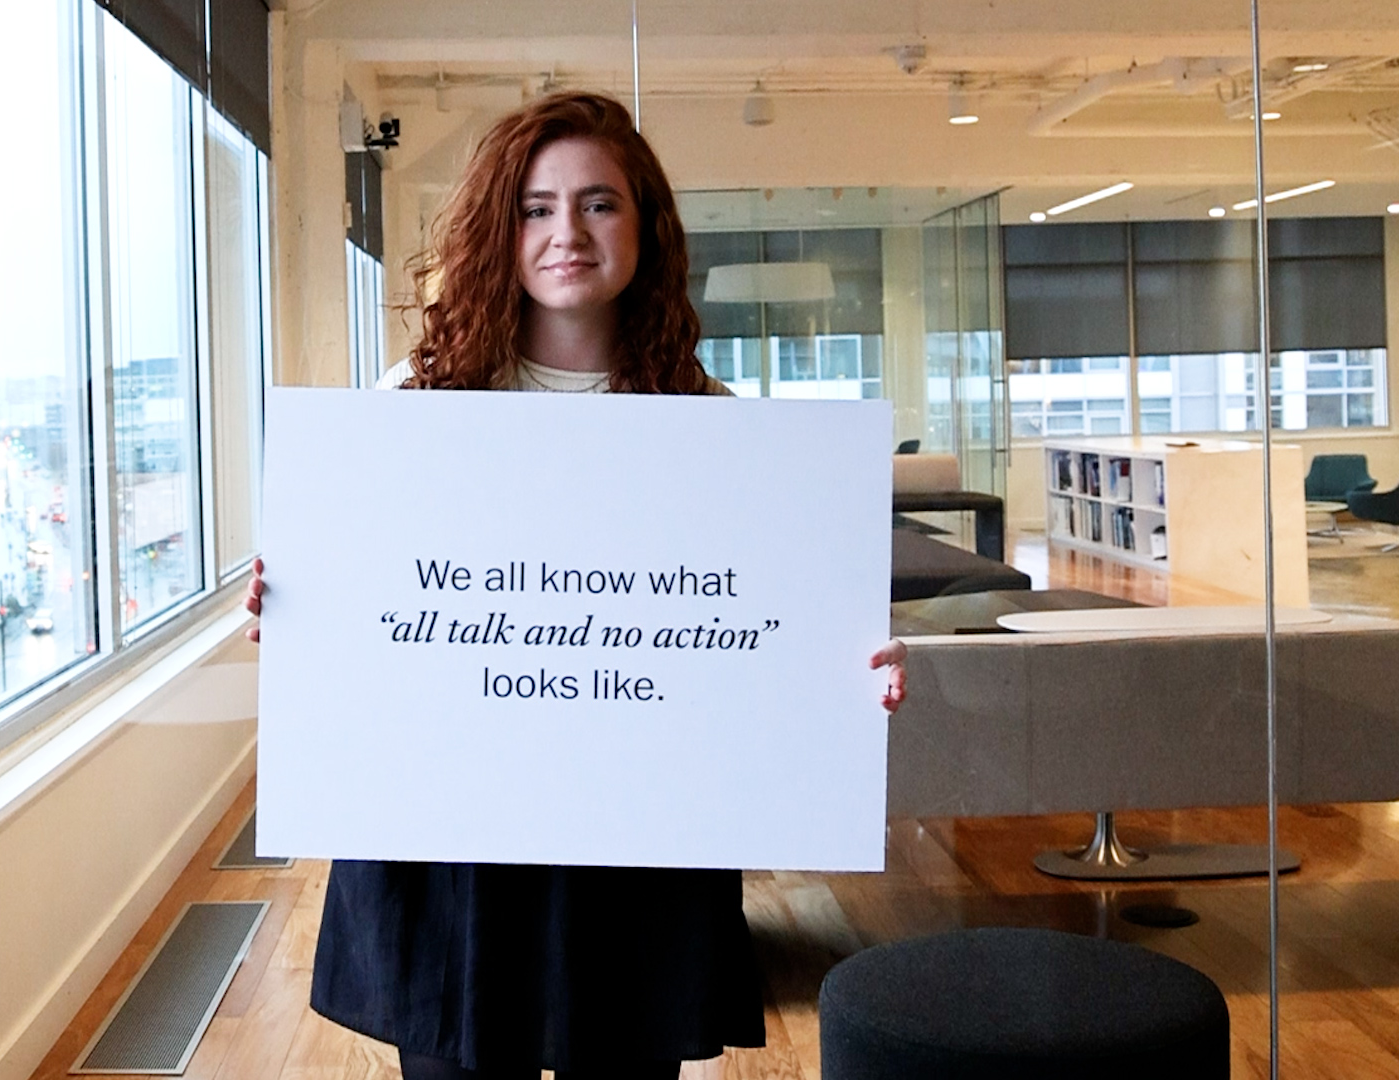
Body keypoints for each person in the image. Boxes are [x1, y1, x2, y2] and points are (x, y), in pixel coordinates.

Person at [242, 91, 908, 1079]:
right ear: (498, 230)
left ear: (645, 226)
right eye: (536, 207)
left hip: (639, 842)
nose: (567, 233)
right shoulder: (415, 405)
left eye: (599, 204)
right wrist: (299, 612)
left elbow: (761, 623)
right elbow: (370, 608)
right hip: (454, 842)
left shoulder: (714, 424)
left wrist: (850, 669)